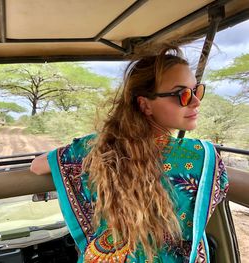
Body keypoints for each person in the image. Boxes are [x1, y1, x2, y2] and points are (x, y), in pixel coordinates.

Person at [30, 47, 229, 263]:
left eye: (197, 91)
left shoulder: (95, 147)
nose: (196, 102)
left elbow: (37, 166)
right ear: (145, 104)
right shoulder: (202, 157)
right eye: (182, 94)